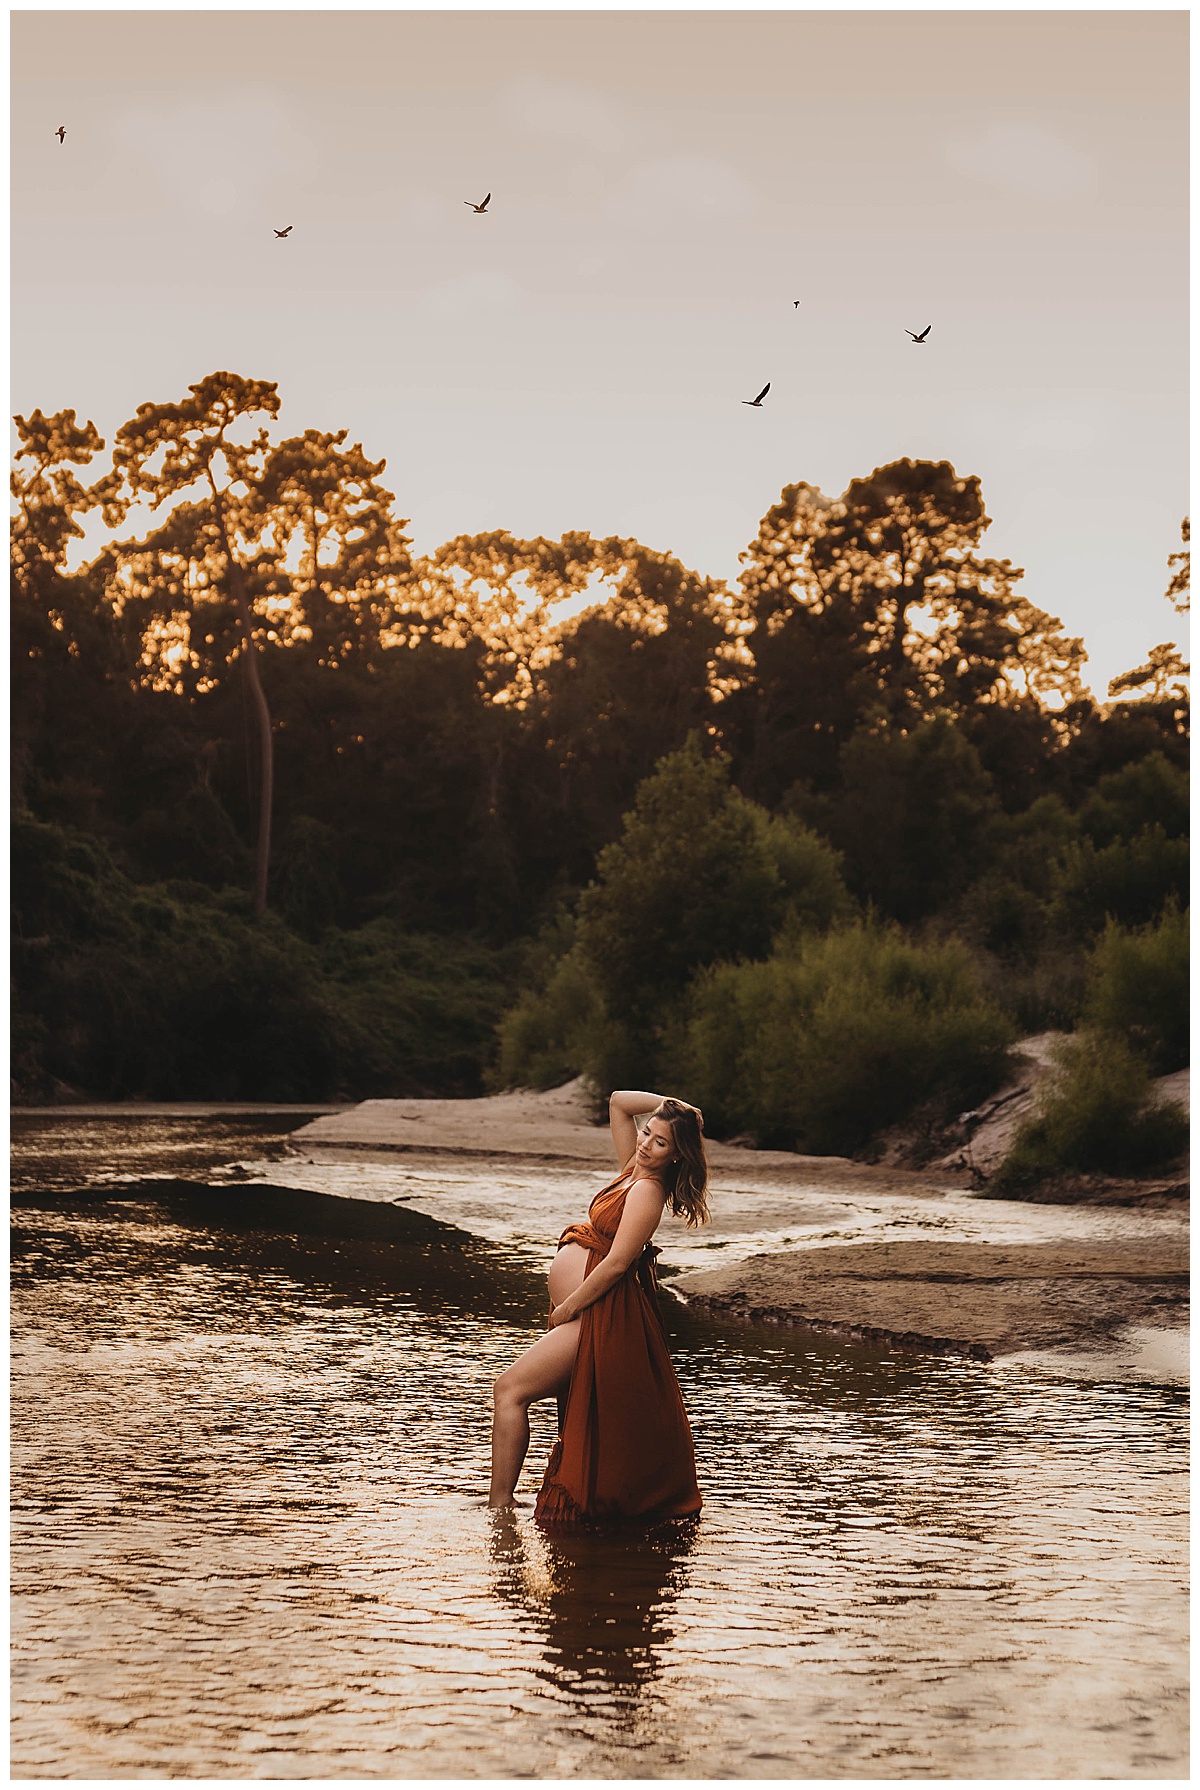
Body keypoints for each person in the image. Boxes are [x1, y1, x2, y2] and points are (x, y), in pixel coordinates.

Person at [489, 1088, 710, 1524]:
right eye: (647, 1133)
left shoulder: (647, 1189)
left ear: (676, 1156)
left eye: (660, 1142)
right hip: (586, 1314)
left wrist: (568, 1308)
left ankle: (499, 1509)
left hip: (600, 1317)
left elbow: (615, 1265)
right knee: (538, 1401)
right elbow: (617, 1101)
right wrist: (676, 1105)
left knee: (510, 1390)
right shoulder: (633, 1167)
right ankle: (505, 1506)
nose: (646, 1144)